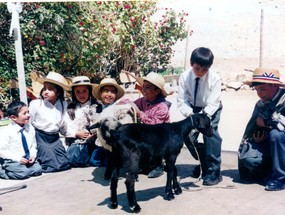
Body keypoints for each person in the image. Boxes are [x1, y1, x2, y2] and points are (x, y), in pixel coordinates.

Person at [177, 47, 223, 186]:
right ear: (191, 63)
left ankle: (214, 170)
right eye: (197, 68)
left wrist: (203, 119)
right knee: (189, 137)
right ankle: (204, 165)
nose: (201, 73)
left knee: (210, 135)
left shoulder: (214, 79)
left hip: (210, 109)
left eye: (205, 69)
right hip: (192, 109)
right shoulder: (184, 77)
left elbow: (213, 103)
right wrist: (192, 117)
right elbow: (181, 101)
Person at [238, 68, 285, 191]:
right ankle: (271, 170)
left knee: (276, 135)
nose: (259, 93)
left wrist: (266, 123)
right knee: (250, 161)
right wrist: (257, 139)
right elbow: (251, 129)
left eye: (262, 89)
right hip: (272, 145)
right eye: (257, 90)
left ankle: (279, 178)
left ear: (274, 86)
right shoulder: (261, 104)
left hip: (280, 141)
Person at [29, 71, 71, 173]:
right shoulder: (36, 104)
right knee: (50, 166)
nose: (46, 92)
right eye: (44, 88)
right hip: (40, 137)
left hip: (54, 138)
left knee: (64, 163)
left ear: (58, 92)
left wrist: (73, 134)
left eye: (50, 89)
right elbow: (29, 124)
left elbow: (63, 126)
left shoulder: (63, 105)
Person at [134, 72, 171, 178]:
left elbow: (154, 124)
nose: (144, 90)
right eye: (143, 87)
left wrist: (140, 114)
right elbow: (132, 104)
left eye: (148, 88)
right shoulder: (144, 101)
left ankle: (158, 166)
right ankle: (145, 164)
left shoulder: (162, 107)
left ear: (157, 91)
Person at [64, 76, 102, 167]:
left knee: (96, 160)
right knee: (73, 159)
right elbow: (65, 127)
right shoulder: (70, 108)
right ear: (73, 93)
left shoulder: (97, 107)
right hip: (78, 141)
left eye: (84, 91)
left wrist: (95, 134)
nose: (81, 95)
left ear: (89, 91)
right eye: (78, 92)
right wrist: (77, 133)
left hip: (95, 141)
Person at [0, 100, 42, 179]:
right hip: (11, 159)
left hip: (25, 159)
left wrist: (33, 155)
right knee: (24, 173)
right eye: (24, 113)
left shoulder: (30, 128)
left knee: (38, 169)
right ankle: (2, 171)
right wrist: (18, 158)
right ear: (13, 117)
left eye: (28, 112)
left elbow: (33, 145)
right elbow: (2, 151)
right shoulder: (7, 132)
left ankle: (23, 171)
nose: (28, 115)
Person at [91, 78, 125, 166]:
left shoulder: (119, 109)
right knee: (94, 161)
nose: (109, 94)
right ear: (100, 93)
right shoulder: (96, 108)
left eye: (112, 91)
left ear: (116, 94)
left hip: (114, 143)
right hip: (101, 142)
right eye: (106, 91)